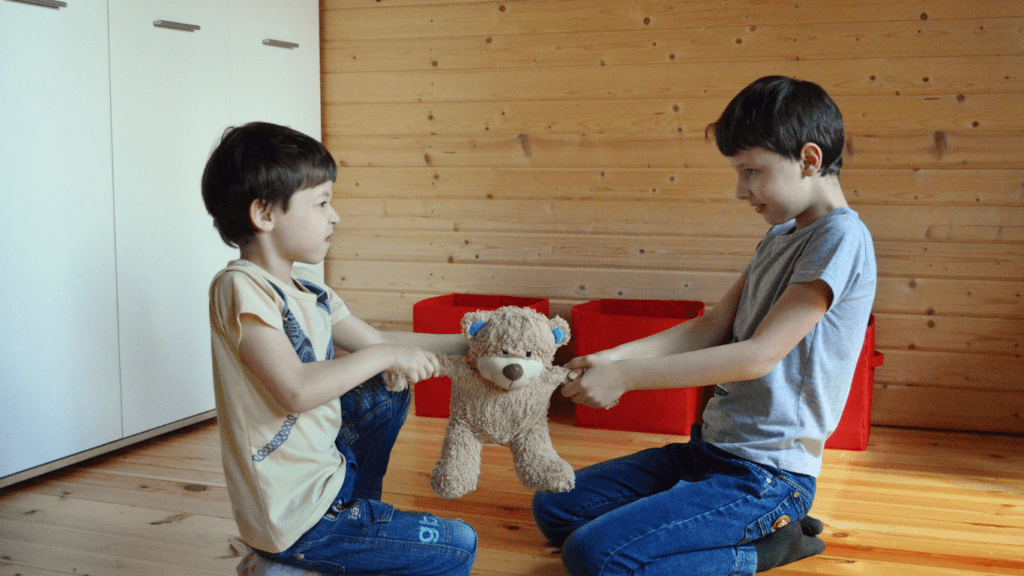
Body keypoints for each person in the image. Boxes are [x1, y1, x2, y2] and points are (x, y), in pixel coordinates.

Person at [533, 76, 877, 575]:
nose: (742, 190)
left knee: (593, 555)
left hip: (768, 477)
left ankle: (767, 549)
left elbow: (758, 355)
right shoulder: (780, 236)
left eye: (752, 171)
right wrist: (614, 358)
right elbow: (711, 325)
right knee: (555, 506)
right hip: (709, 452)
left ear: (809, 160)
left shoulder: (842, 237)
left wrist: (628, 379)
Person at [202, 122, 477, 575]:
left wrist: (468, 347)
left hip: (329, 476)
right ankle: (298, 555)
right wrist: (388, 357)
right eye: (323, 202)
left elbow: (383, 344)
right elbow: (294, 390)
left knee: (387, 390)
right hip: (292, 516)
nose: (336, 216)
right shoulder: (241, 287)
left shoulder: (311, 291)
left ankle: (348, 534)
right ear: (265, 214)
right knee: (458, 546)